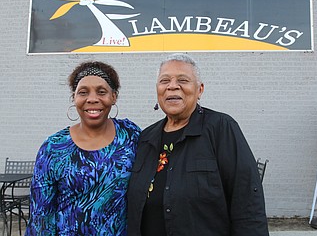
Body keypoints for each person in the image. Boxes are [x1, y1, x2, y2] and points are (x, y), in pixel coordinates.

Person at [127, 53, 269, 236]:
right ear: (157, 90)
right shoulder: (146, 138)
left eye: (183, 80)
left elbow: (248, 201)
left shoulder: (221, 128)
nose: (172, 86)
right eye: (164, 81)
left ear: (199, 89)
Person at [25, 61, 141, 235]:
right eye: (83, 92)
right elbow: (41, 216)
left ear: (114, 96)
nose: (92, 99)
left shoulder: (130, 136)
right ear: (74, 97)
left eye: (102, 92)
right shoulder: (54, 148)